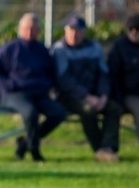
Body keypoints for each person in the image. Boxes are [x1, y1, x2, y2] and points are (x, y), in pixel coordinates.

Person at [0, 13, 68, 161]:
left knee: (58, 114)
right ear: (20, 29)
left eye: (33, 29)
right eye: (26, 28)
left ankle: (25, 143)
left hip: (39, 93)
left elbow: (52, 74)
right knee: (31, 113)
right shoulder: (9, 49)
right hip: (15, 94)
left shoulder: (43, 51)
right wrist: (10, 85)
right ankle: (34, 150)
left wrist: (47, 86)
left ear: (39, 31)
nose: (29, 32)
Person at [51, 16, 123, 162]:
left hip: (95, 96)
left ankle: (108, 147)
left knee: (114, 108)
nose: (74, 34)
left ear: (84, 32)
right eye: (70, 30)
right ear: (65, 31)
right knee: (88, 109)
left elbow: (103, 74)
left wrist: (103, 95)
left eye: (77, 31)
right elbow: (64, 80)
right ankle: (100, 149)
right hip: (68, 97)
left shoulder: (94, 48)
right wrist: (86, 96)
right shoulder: (59, 49)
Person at [108, 13, 139, 160]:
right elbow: (114, 75)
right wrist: (119, 98)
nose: (134, 32)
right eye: (131, 29)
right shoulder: (120, 46)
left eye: (137, 29)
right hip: (130, 94)